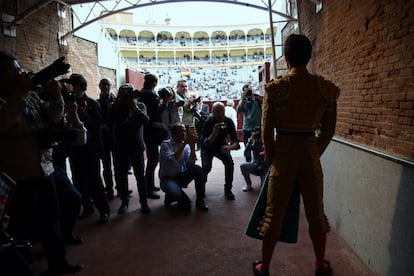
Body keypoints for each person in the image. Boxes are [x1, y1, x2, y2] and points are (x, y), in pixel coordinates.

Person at [252, 34, 340, 276]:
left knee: (274, 213)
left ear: (287, 58)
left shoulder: (276, 88)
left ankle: (265, 266)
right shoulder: (326, 89)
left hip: (284, 153)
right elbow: (329, 130)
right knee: (316, 213)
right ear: (309, 57)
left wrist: (271, 156)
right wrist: (313, 151)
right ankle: (320, 264)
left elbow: (266, 130)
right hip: (309, 151)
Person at [0, 51, 83, 274]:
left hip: (44, 168)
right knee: (19, 230)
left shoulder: (30, 95)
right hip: (19, 176)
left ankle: (58, 262)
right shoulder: (8, 100)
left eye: (19, 70)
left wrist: (57, 97)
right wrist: (20, 92)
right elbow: (3, 124)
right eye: (12, 71)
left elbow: (52, 118)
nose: (19, 74)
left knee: (51, 219)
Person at [67, 73, 110, 224]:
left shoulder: (92, 103)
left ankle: (104, 210)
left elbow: (96, 126)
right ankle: (87, 207)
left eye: (73, 84)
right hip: (75, 148)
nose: (71, 87)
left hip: (90, 149)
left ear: (80, 85)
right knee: (78, 180)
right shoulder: (67, 102)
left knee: (94, 181)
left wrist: (83, 114)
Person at [112, 84, 151, 214]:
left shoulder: (140, 106)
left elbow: (145, 120)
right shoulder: (116, 107)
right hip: (121, 146)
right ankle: (124, 202)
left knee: (140, 175)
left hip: (136, 145)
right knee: (122, 176)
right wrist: (119, 103)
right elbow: (113, 121)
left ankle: (144, 203)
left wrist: (133, 106)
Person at [159, 124, 208, 211]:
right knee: (184, 204)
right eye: (181, 131)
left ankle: (200, 201)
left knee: (197, 169)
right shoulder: (165, 144)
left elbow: (190, 164)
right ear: (173, 134)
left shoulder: (186, 146)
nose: (184, 133)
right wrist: (185, 142)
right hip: (167, 179)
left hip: (180, 176)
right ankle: (169, 198)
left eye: (184, 131)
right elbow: (173, 158)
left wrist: (192, 145)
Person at [201, 102, 240, 200]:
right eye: (217, 111)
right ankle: (201, 188)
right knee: (206, 167)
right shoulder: (208, 122)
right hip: (208, 146)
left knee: (229, 163)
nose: (220, 114)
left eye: (222, 111)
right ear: (213, 112)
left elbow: (236, 143)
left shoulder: (228, 122)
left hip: (222, 146)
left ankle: (228, 189)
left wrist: (229, 148)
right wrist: (214, 134)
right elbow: (204, 143)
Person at [139, 73, 162, 199]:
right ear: (154, 83)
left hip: (146, 130)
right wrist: (164, 103)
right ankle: (149, 189)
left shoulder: (142, 92)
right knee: (153, 159)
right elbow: (156, 112)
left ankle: (150, 185)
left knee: (152, 158)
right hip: (152, 130)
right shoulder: (151, 94)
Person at [97, 78, 116, 200]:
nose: (106, 87)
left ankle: (120, 188)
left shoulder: (116, 101)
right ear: (99, 86)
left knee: (119, 165)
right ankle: (109, 189)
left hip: (114, 137)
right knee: (106, 166)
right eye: (103, 85)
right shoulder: (97, 102)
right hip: (103, 138)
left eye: (108, 84)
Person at [236, 84, 262, 162]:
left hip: (257, 127)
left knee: (257, 148)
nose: (248, 92)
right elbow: (239, 110)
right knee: (247, 148)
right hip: (247, 128)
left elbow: (265, 102)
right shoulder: (243, 101)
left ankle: (256, 163)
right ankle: (248, 163)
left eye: (249, 90)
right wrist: (242, 99)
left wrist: (256, 96)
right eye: (246, 91)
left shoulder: (257, 99)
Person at [240, 126, 268, 192]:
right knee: (243, 166)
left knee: (264, 190)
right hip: (255, 165)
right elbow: (246, 154)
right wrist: (249, 142)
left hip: (265, 168)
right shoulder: (254, 142)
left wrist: (263, 142)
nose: (258, 136)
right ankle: (248, 184)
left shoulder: (267, 142)